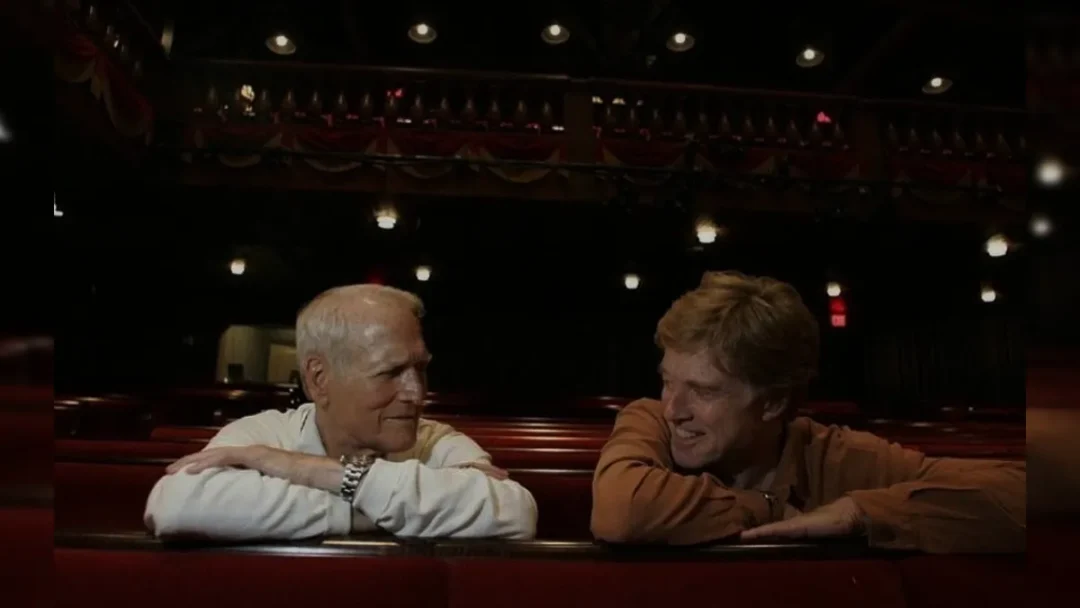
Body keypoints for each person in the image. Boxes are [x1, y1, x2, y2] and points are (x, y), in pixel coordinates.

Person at [591, 271, 1025, 553]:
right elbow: (622, 511)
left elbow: (1020, 495)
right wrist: (768, 509)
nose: (673, 409)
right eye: (668, 380)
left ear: (775, 401)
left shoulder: (835, 454)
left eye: (703, 391)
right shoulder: (650, 420)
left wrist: (860, 513)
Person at [144, 284, 537, 540]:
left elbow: (516, 511)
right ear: (318, 379)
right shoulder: (259, 434)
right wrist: (378, 513)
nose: (417, 394)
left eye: (421, 368)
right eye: (391, 372)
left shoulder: (436, 440)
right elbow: (175, 504)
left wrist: (305, 469)